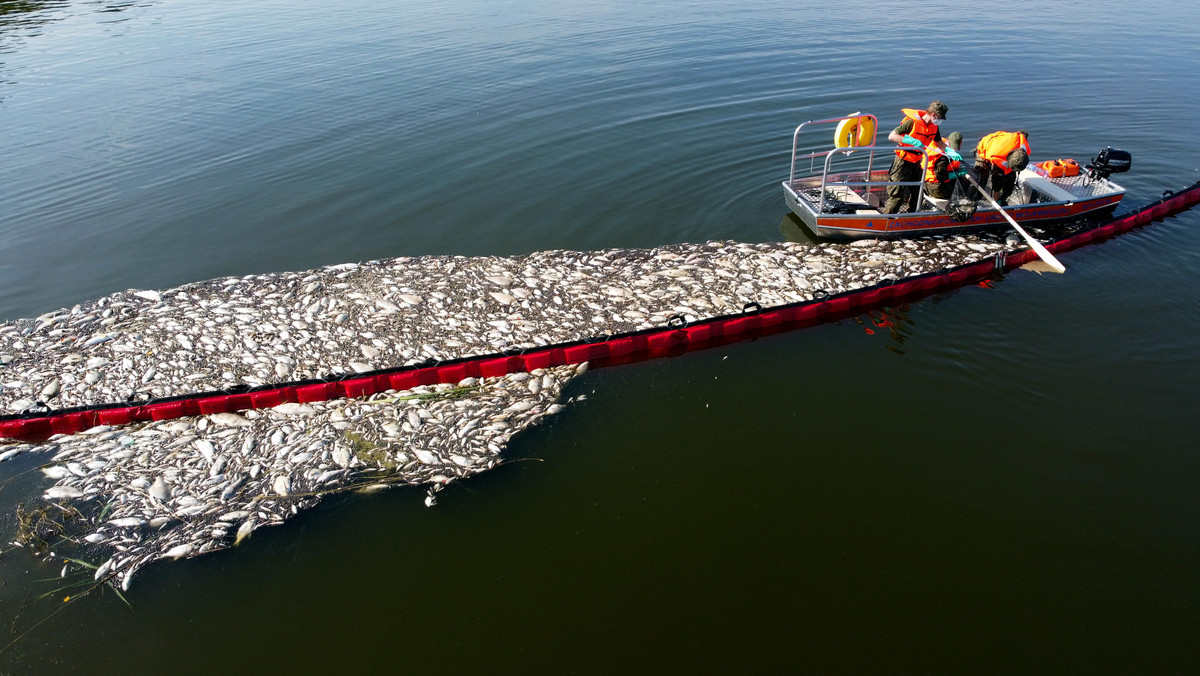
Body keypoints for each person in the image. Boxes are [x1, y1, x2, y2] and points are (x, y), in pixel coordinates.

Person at [883, 101, 948, 214]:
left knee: (918, 191)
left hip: (917, 162)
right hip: (902, 162)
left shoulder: (934, 127)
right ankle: (887, 219)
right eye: (939, 117)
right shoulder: (911, 123)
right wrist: (909, 140)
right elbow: (892, 136)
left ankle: (911, 215)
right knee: (897, 194)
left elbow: (940, 144)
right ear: (933, 115)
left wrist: (950, 152)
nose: (940, 121)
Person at [973, 129, 1030, 205]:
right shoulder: (998, 156)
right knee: (982, 177)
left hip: (1007, 147)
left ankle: (1004, 199)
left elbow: (1023, 134)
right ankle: (974, 199)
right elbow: (996, 179)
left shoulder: (1025, 150)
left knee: (1010, 178)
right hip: (986, 147)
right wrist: (997, 198)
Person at [924, 131, 967, 200]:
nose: (954, 150)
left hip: (925, 184)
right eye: (953, 147)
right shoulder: (942, 157)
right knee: (963, 181)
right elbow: (941, 177)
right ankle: (960, 200)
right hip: (937, 189)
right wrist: (958, 173)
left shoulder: (936, 144)